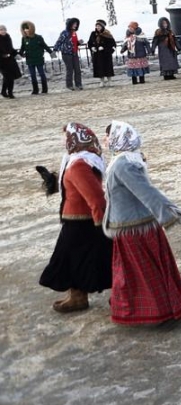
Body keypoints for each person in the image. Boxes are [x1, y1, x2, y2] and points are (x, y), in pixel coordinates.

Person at [102, 121, 181, 326]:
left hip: (134, 228)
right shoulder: (121, 160)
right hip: (128, 224)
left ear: (117, 138)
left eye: (107, 135)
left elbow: (147, 193)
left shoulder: (123, 165)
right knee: (138, 273)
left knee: (142, 274)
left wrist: (172, 214)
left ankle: (160, 312)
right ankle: (150, 308)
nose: (104, 140)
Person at [39, 123, 113, 312]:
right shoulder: (76, 160)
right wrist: (52, 180)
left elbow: (96, 198)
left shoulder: (79, 165)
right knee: (72, 260)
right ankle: (77, 296)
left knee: (71, 259)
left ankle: (80, 298)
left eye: (66, 136)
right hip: (74, 220)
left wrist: (101, 225)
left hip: (82, 223)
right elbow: (72, 187)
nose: (64, 140)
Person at [19, 21, 55, 95]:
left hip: (38, 58)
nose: (26, 30)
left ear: (31, 28)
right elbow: (22, 48)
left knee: (42, 74)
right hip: (30, 60)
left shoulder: (38, 37)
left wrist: (51, 52)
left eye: (27, 28)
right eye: (24, 29)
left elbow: (45, 46)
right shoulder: (24, 39)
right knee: (32, 75)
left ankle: (45, 89)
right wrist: (19, 54)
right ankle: (35, 90)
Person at [53, 17, 83, 90]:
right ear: (70, 24)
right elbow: (59, 41)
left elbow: (73, 43)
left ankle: (78, 84)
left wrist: (78, 42)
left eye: (76, 24)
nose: (75, 25)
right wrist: (55, 50)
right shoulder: (65, 32)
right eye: (74, 24)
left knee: (77, 69)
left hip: (74, 53)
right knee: (70, 70)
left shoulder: (74, 33)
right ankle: (69, 85)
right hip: (66, 54)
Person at [88, 20, 116, 87]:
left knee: (108, 67)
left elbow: (112, 44)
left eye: (99, 26)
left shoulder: (107, 34)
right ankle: (102, 81)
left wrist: (104, 47)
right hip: (97, 54)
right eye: (97, 26)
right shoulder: (93, 34)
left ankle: (109, 81)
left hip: (106, 54)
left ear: (102, 26)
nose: (98, 27)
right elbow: (90, 43)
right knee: (99, 68)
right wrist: (92, 47)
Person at [0, 25, 22, 99]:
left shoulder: (8, 38)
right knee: (7, 77)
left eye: (4, 29)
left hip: (10, 61)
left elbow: (11, 48)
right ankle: (7, 92)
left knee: (10, 77)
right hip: (2, 62)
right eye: (1, 30)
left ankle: (8, 92)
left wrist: (16, 54)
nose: (3, 31)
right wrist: (3, 55)